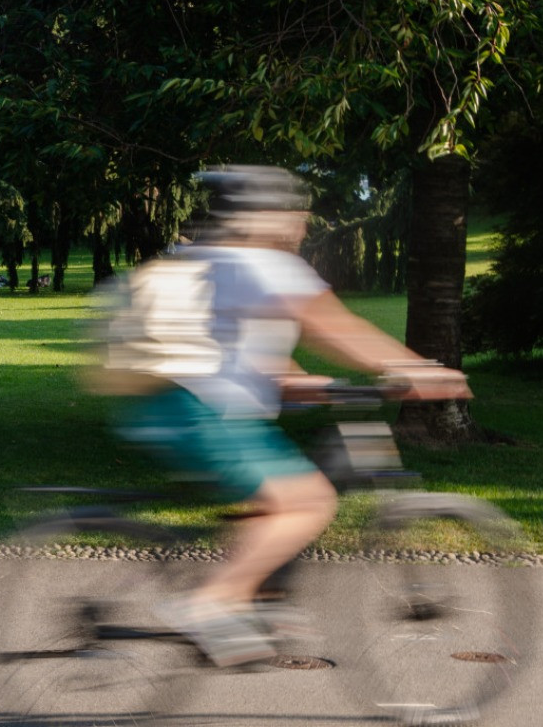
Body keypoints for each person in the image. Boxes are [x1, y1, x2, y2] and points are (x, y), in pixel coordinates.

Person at [105, 165, 470, 667]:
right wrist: (417, 369)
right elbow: (338, 329)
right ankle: (208, 603)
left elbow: (252, 358)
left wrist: (320, 388)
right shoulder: (267, 266)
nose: (302, 223)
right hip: (202, 414)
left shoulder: (205, 259)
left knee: (273, 499)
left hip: (166, 406)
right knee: (308, 501)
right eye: (296, 212)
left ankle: (254, 603)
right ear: (268, 217)